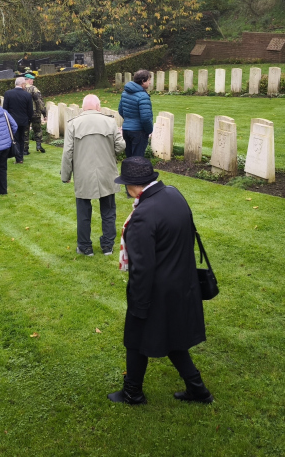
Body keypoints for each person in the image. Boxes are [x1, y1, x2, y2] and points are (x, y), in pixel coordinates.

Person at [107, 156, 211, 405]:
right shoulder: (174, 195)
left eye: (126, 185)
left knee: (134, 339)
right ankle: (198, 390)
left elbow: (142, 267)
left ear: (134, 186)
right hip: (181, 285)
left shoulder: (143, 214)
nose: (126, 190)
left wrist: (139, 305)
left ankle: (133, 392)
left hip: (156, 291)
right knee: (173, 338)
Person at [61, 94, 126, 256]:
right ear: (98, 107)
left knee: (83, 212)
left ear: (83, 107)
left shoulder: (73, 124)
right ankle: (107, 246)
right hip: (107, 172)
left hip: (84, 174)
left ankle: (85, 247)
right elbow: (120, 146)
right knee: (108, 210)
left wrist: (66, 175)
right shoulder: (110, 121)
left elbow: (68, 152)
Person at [118, 70, 154, 158]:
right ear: (142, 81)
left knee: (129, 158)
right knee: (138, 160)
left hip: (126, 130)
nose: (150, 82)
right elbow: (145, 118)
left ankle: (127, 172)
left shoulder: (125, 93)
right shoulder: (143, 96)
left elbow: (120, 110)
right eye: (148, 80)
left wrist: (129, 120)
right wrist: (149, 130)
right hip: (139, 132)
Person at [2, 77, 33, 164]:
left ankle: (17, 157)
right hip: (23, 121)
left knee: (14, 138)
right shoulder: (27, 95)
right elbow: (30, 110)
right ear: (22, 84)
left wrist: (6, 120)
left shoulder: (8, 94)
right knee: (22, 139)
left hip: (12, 121)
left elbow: (5, 109)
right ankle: (20, 158)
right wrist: (29, 120)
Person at [24, 74, 47, 153]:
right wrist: (44, 112)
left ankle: (25, 149)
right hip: (35, 113)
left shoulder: (21, 89)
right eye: (32, 79)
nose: (33, 81)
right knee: (37, 130)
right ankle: (38, 145)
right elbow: (39, 101)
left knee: (25, 131)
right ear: (28, 80)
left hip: (25, 113)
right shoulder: (34, 89)